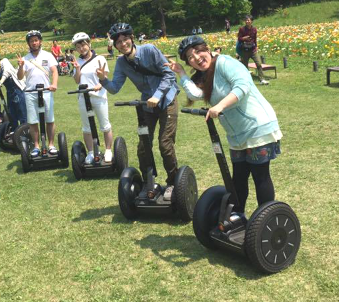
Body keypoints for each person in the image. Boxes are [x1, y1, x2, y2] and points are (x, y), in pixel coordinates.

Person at [167, 35, 281, 221]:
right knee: (238, 177)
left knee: (260, 176)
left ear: (207, 49)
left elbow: (243, 86)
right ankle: (237, 216)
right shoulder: (204, 74)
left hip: (257, 126)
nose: (195, 58)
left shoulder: (226, 63)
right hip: (237, 134)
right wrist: (181, 73)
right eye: (189, 57)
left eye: (198, 51)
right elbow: (196, 94)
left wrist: (220, 106)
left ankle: (266, 221)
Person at [96, 23, 180, 200]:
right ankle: (149, 183)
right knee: (143, 147)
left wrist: (157, 96)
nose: (123, 44)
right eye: (118, 42)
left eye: (125, 39)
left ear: (132, 38)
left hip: (167, 100)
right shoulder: (121, 62)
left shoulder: (149, 50)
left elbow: (169, 75)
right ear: (115, 45)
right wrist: (103, 80)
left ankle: (173, 182)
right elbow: (115, 88)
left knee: (165, 144)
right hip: (146, 104)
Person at [70, 32, 114, 164]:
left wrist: (99, 85)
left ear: (89, 44)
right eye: (78, 47)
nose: (81, 48)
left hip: (98, 96)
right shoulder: (77, 61)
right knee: (86, 127)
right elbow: (77, 81)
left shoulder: (100, 59)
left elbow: (104, 77)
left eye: (83, 45)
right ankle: (90, 152)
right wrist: (77, 69)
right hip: (83, 97)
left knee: (105, 125)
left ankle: (108, 150)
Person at [17, 30, 59, 157]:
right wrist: (20, 66)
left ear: (40, 41)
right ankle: (36, 146)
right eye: (31, 41)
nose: (34, 43)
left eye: (36, 40)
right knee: (33, 121)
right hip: (31, 92)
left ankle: (51, 145)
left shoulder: (48, 55)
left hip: (46, 91)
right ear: (29, 43)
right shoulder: (25, 59)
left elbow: (54, 71)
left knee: (49, 119)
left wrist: (54, 84)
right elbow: (19, 77)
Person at [0, 48, 27, 131]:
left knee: (22, 113)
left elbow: (6, 72)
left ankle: (25, 133)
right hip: (10, 93)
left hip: (18, 90)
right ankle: (15, 134)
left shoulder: (4, 61)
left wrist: (0, 82)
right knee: (12, 114)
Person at [237, 15, 269, 85]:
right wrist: (244, 38)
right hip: (244, 50)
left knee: (259, 63)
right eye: (246, 20)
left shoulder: (254, 29)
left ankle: (262, 79)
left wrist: (256, 46)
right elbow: (239, 39)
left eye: (248, 20)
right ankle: (245, 81)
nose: (247, 21)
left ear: (251, 21)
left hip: (253, 50)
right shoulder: (242, 29)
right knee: (244, 66)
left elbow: (255, 39)